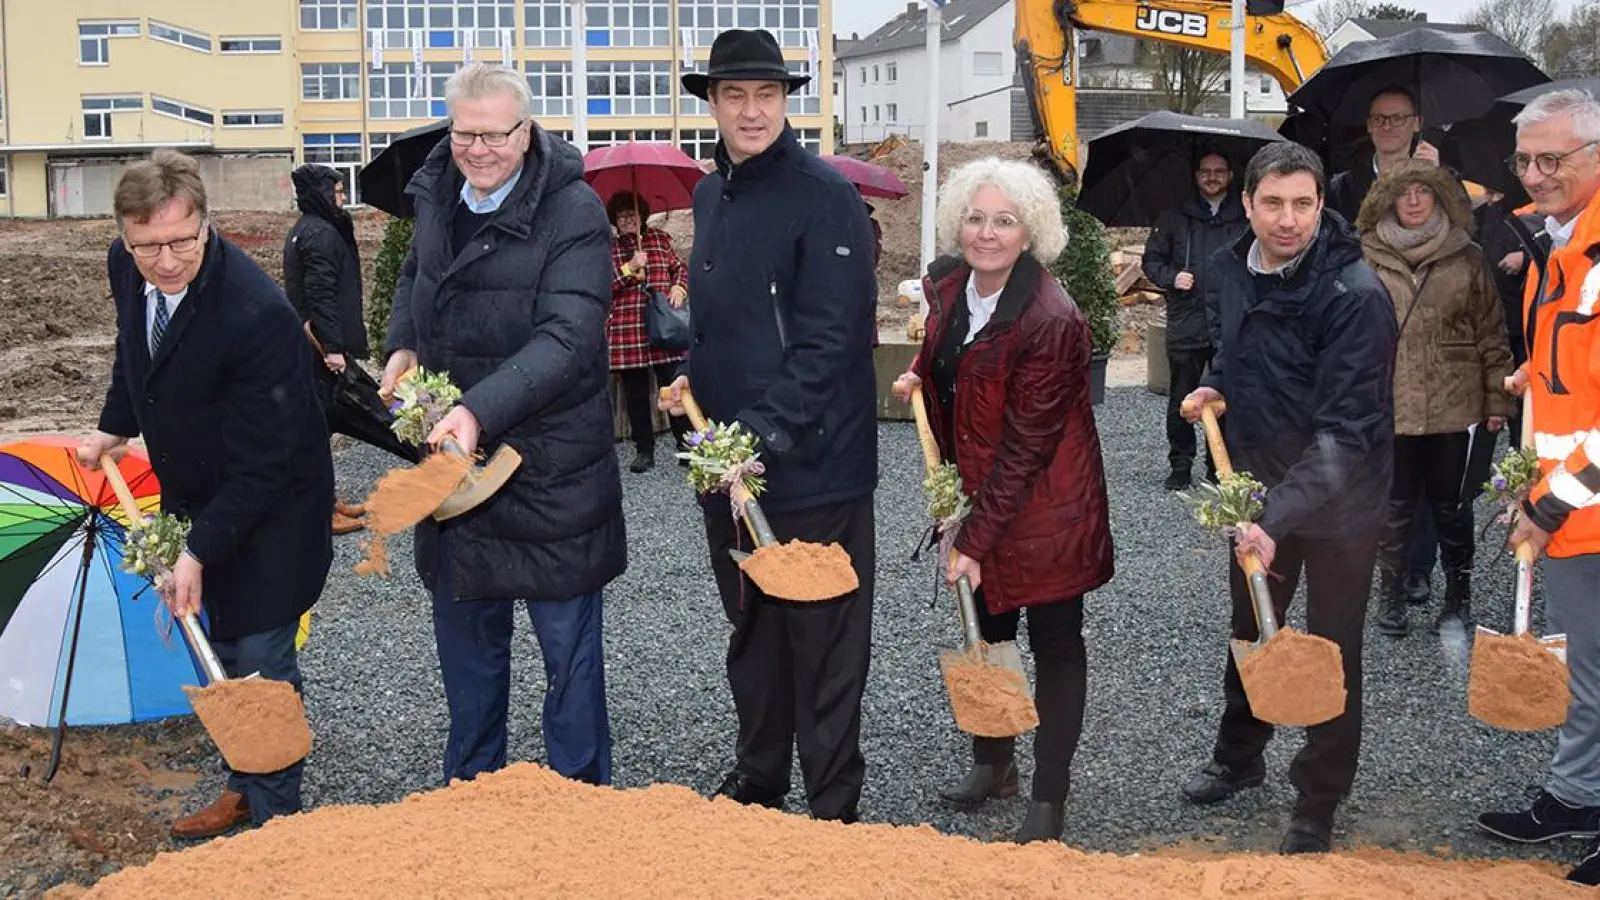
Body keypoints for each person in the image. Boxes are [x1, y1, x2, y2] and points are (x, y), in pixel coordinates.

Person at [376, 62, 624, 787]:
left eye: (494, 134)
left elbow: (570, 337)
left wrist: (477, 409)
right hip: (456, 476)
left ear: (527, 131)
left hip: (551, 473)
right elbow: (414, 276)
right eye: (464, 133)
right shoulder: (432, 192)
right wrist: (402, 343)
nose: (477, 150)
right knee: (469, 665)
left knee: (568, 671)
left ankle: (579, 806)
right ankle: (471, 800)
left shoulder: (575, 210)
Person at [76, 149, 334, 838]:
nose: (164, 262)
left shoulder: (256, 314)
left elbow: (264, 467)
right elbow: (138, 356)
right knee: (211, 644)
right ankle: (245, 786)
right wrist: (113, 428)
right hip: (198, 489)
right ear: (125, 235)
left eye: (181, 242)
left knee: (258, 665)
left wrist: (196, 550)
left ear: (207, 224)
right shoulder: (123, 266)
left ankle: (281, 827)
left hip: (275, 505)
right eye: (147, 246)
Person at [659, 28, 878, 823]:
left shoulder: (825, 195)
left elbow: (830, 341)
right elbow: (736, 326)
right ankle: (760, 777)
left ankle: (833, 806)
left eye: (767, 95)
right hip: (731, 466)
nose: (751, 112)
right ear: (711, 104)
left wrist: (750, 435)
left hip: (812, 464)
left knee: (822, 644)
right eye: (734, 95)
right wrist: (697, 379)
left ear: (788, 102)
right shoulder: (711, 195)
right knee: (752, 631)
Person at [1178, 141, 1397, 855]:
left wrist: (1274, 517)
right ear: (1247, 204)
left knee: (1331, 650)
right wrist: (1218, 386)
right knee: (1251, 629)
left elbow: (1347, 432)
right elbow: (1239, 356)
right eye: (1272, 203)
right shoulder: (1231, 271)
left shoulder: (1354, 295)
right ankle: (1239, 758)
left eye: (1303, 203)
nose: (1288, 219)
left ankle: (1318, 800)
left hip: (1341, 503)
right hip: (1262, 491)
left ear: (1320, 205)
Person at [891, 157, 1114, 844]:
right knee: (986, 632)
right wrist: (919, 378)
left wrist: (974, 542)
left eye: (1005, 221)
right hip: (980, 494)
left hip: (1047, 507)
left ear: (1030, 231)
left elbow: (1029, 447)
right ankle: (995, 764)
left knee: (1054, 641)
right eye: (977, 217)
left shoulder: (1052, 319)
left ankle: (1049, 794)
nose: (987, 233)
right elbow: (949, 369)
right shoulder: (952, 287)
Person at [1474, 88, 1600, 889]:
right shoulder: (1557, 246)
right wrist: (1535, 375)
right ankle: (1579, 795)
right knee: (1584, 663)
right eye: (1526, 159)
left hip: (1578, 501)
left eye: (1553, 159)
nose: (1536, 173)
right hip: (1570, 510)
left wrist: (1557, 498)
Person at [1354, 160, 1514, 638]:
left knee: (1452, 507)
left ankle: (1458, 597)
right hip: (1392, 405)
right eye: (1405, 192)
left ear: (1441, 197)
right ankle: (1391, 595)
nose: (1415, 200)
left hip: (1455, 405)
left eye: (1425, 191)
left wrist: (1495, 403)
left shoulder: (1467, 256)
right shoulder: (1365, 257)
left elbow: (1492, 334)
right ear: (1388, 199)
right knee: (1393, 505)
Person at [283, 164, 417, 535]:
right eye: (337, 191)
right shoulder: (321, 233)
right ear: (320, 193)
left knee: (319, 428)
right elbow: (321, 294)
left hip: (313, 347)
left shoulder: (306, 230)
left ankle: (327, 501)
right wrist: (334, 348)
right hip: (321, 351)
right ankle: (321, 509)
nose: (342, 197)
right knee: (322, 427)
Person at [1142, 150, 1248, 490]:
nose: (1212, 177)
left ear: (1230, 176)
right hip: (1187, 319)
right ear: (1196, 176)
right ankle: (1180, 464)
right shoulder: (1174, 217)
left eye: (1219, 171)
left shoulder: (1245, 217)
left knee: (1227, 396)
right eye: (1206, 172)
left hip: (1230, 321)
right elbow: (1151, 261)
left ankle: (1219, 465)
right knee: (1182, 399)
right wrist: (1173, 278)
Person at [604, 191, 690, 473]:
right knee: (636, 394)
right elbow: (603, 286)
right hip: (628, 329)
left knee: (674, 387)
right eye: (622, 215)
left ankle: (686, 445)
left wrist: (679, 287)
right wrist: (629, 267)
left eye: (633, 213)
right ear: (615, 220)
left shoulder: (659, 240)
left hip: (663, 324)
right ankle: (644, 451)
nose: (628, 219)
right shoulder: (610, 248)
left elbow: (680, 268)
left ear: (642, 216)